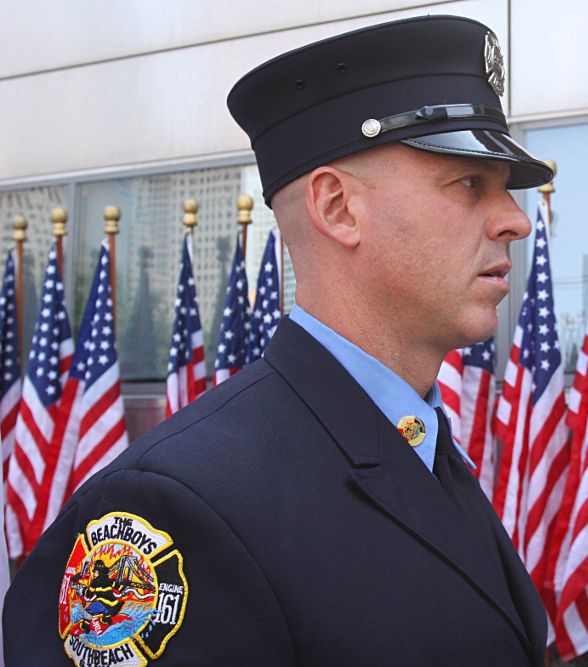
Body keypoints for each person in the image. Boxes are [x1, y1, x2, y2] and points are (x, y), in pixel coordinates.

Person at [4, 16, 553, 666]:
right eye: (469, 184)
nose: (515, 219)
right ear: (338, 208)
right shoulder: (180, 506)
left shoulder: (422, 449)